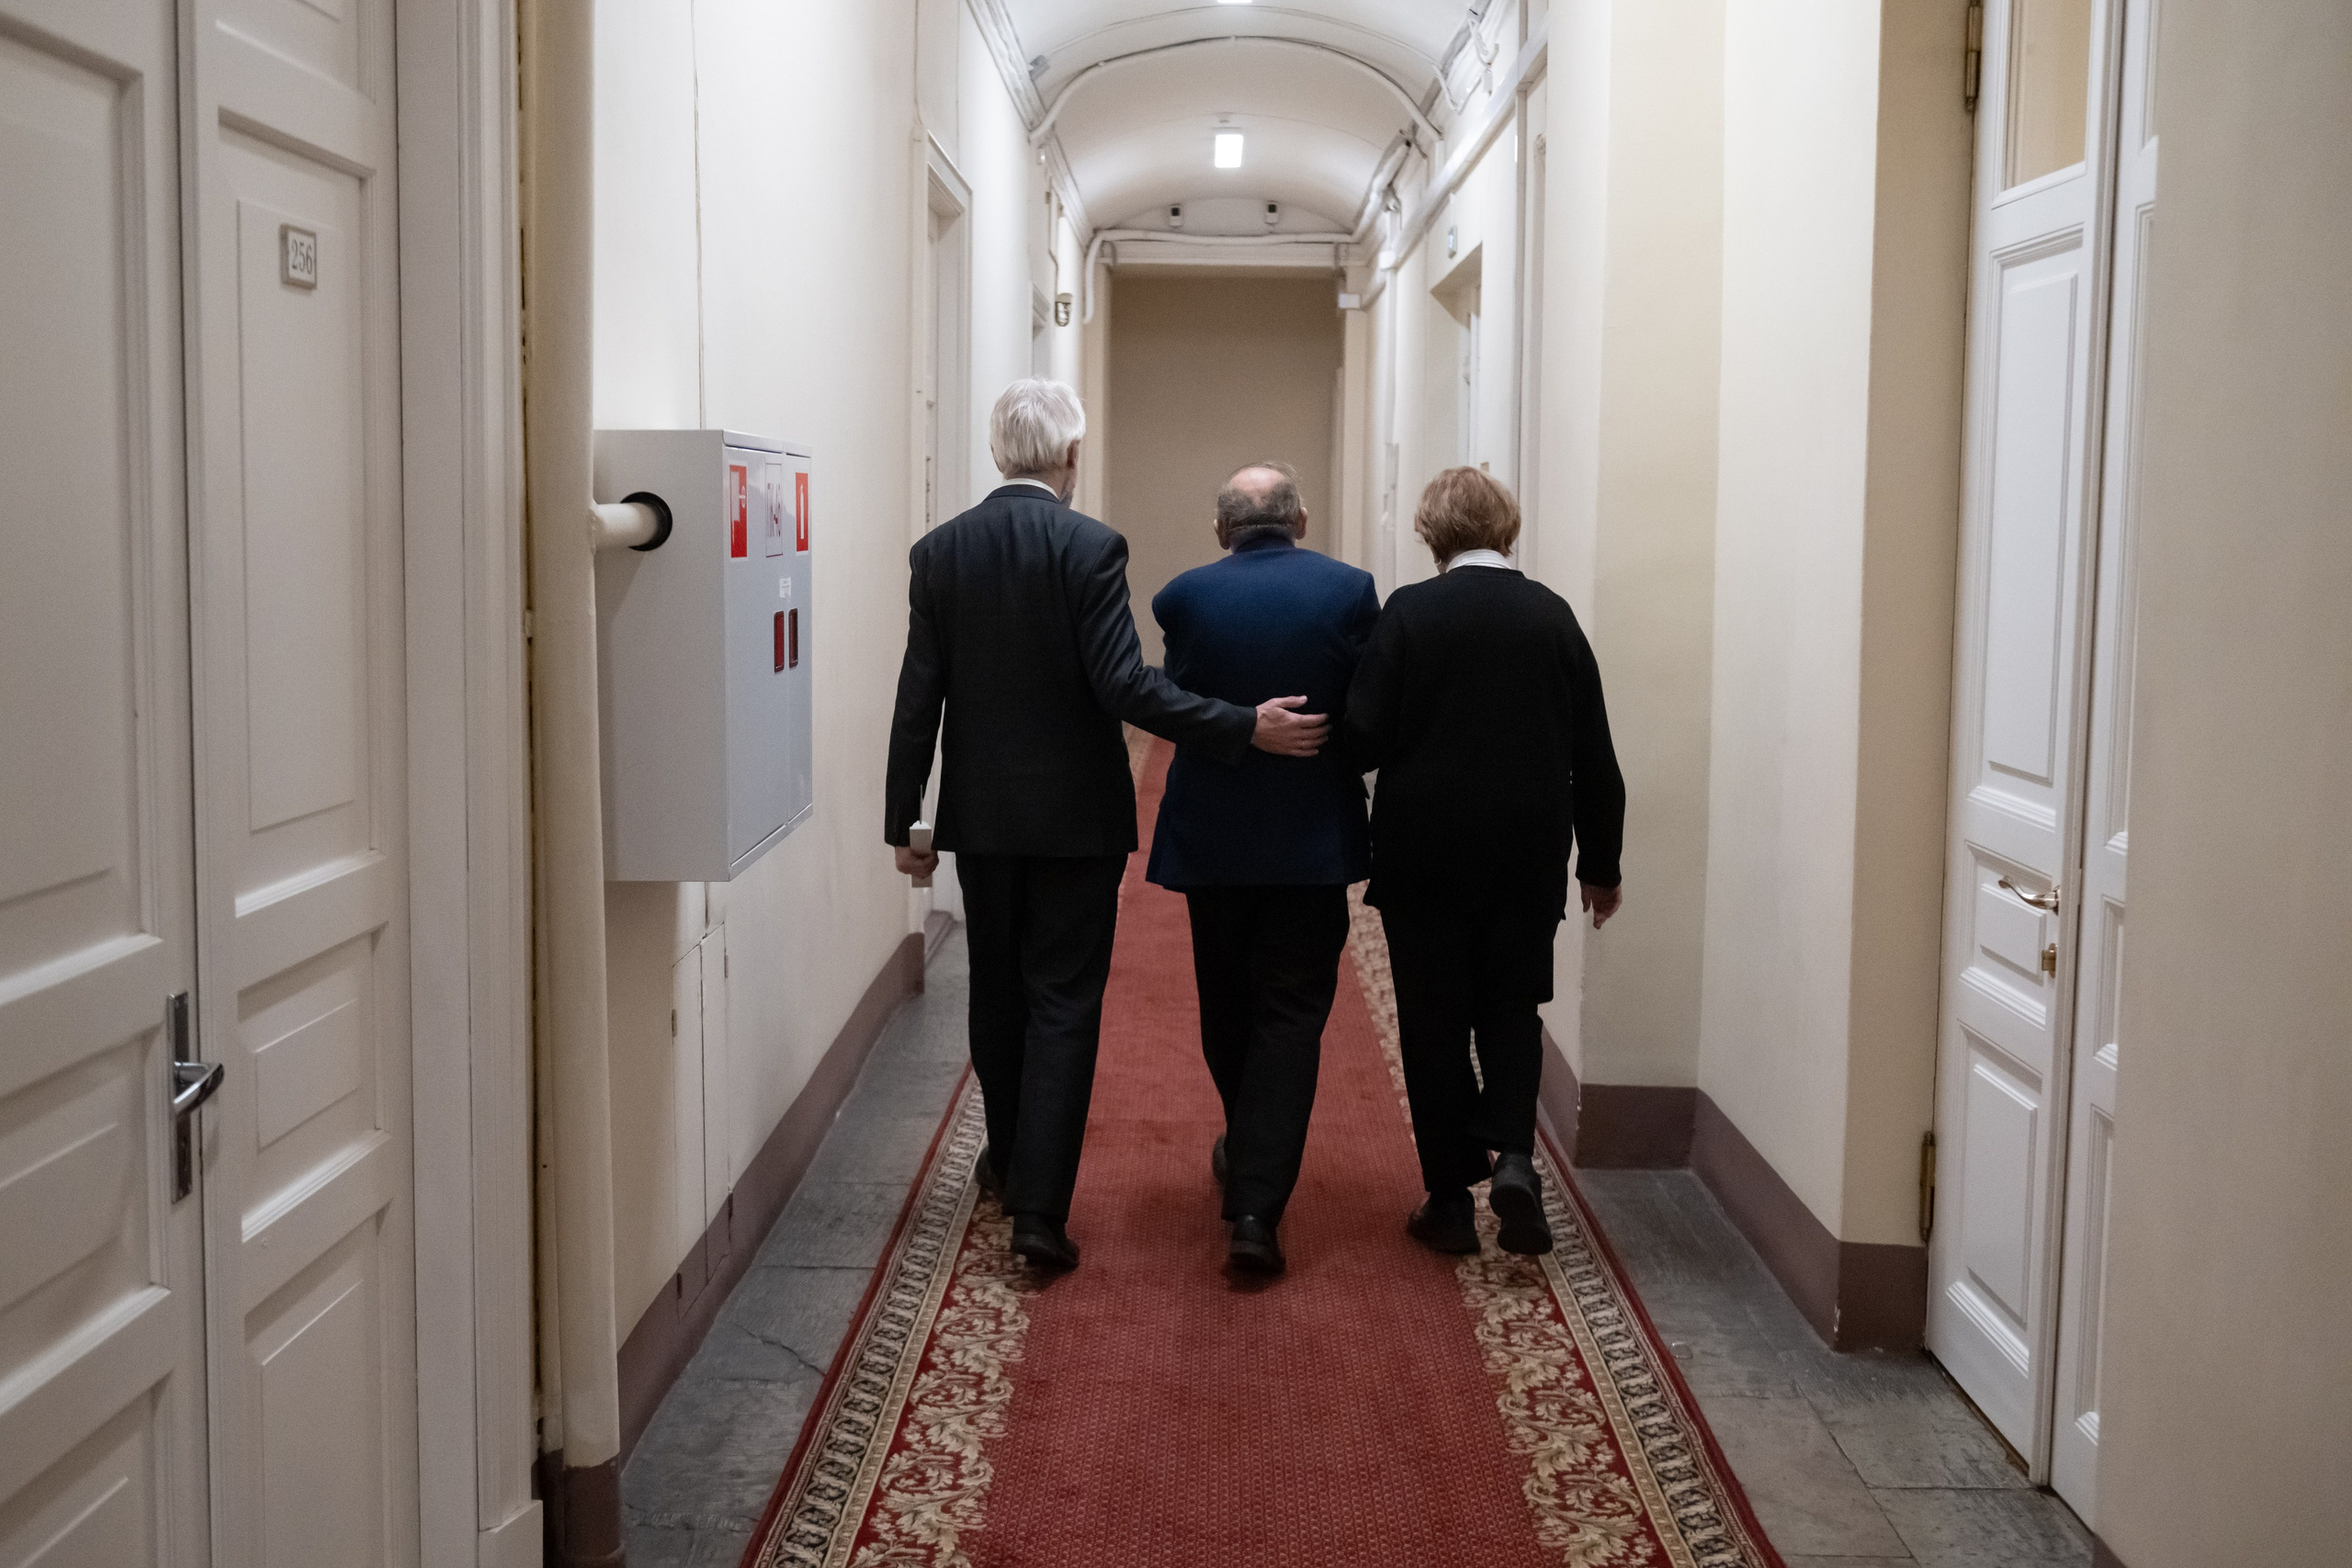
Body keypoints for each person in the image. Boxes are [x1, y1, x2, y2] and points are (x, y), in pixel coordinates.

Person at [885, 380, 1329, 1271]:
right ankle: (1039, 1216)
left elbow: (918, 693)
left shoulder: (940, 551)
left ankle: (1010, 1162)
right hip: (1078, 822)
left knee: (997, 995)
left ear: (997, 451)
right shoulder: (1088, 546)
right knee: (1062, 1002)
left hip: (980, 819)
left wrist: (907, 816)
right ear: (1072, 458)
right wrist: (1245, 726)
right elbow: (1124, 686)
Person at [1341, 467, 1625, 1258]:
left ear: (1431, 536)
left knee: (1432, 1021)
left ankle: (1448, 1199)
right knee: (1511, 1005)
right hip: (1527, 852)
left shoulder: (1410, 613)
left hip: (1424, 850)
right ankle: (1515, 1160)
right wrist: (1600, 863)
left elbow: (1361, 734)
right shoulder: (1552, 618)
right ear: (1510, 528)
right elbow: (1595, 755)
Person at [1145, 463, 1380, 1276]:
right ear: (1302, 521)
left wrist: (1241, 729)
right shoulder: (1351, 592)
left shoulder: (1183, 597)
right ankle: (1255, 1205)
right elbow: (1365, 711)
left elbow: (1175, 701)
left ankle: (1247, 1159)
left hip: (1214, 839)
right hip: (1312, 840)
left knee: (1228, 1001)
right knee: (1292, 1014)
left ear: (1221, 530)